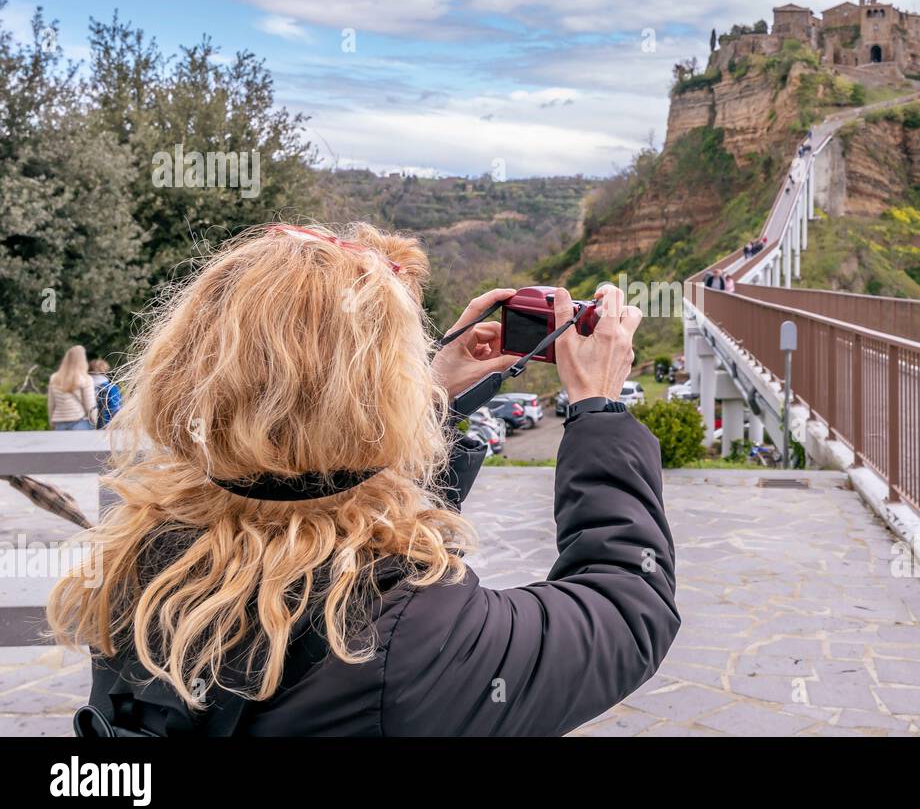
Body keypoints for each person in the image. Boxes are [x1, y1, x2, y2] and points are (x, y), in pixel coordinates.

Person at [49, 223, 678, 736]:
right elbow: (626, 609)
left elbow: (305, 492)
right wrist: (599, 408)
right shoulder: (404, 635)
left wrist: (429, 401)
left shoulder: (140, 560)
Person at [47, 346, 97, 430]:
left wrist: (51, 421)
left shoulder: (54, 378)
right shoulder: (86, 379)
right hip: (80, 421)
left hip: (59, 422)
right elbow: (90, 405)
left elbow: (51, 404)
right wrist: (94, 421)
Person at [89, 359, 122, 428]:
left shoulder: (82, 386)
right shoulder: (111, 388)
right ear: (105, 370)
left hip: (86, 425)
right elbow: (115, 408)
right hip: (106, 425)